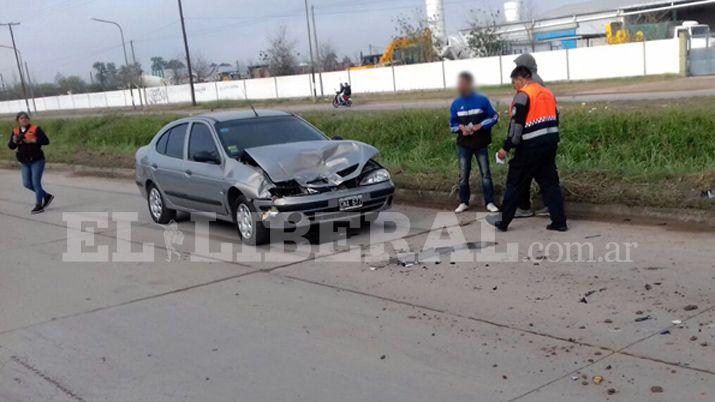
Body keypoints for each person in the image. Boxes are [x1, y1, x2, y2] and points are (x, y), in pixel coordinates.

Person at [493, 66, 567, 232]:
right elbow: (556, 117)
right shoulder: (547, 93)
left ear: (521, 79)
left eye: (514, 82)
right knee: (550, 184)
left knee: (514, 182)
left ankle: (504, 222)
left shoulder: (523, 95)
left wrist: (506, 148)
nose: (514, 87)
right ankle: (559, 221)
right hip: (549, 144)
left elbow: (516, 127)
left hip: (529, 146)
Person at [449, 71, 500, 213]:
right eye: (459, 84)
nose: (461, 86)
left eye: (464, 83)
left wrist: (481, 125)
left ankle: (489, 202)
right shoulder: (456, 104)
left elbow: (495, 117)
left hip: (480, 143)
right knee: (463, 175)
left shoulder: (482, 100)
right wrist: (460, 128)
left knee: (485, 174)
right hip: (464, 144)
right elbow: (452, 124)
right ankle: (464, 202)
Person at [512, 53, 544, 218]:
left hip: (529, 135)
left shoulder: (531, 83)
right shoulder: (538, 80)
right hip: (541, 133)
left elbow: (523, 111)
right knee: (542, 173)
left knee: (523, 174)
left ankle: (523, 207)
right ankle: (547, 204)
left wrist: (513, 138)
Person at [7, 111, 54, 214]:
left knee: (36, 183)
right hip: (25, 161)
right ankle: (46, 196)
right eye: (22, 118)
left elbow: (46, 141)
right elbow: (11, 146)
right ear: (18, 121)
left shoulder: (36, 129)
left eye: (26, 118)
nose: (24, 120)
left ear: (29, 119)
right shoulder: (15, 131)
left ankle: (39, 205)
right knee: (27, 184)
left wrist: (33, 141)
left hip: (37, 160)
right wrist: (15, 141)